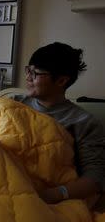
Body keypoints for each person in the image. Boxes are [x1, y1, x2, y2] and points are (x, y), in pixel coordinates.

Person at [13, 42, 104, 204]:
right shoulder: (12, 104)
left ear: (61, 80)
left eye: (35, 73)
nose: (28, 77)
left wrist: (51, 195)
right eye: (28, 70)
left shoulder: (83, 122)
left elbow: (94, 179)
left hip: (45, 197)